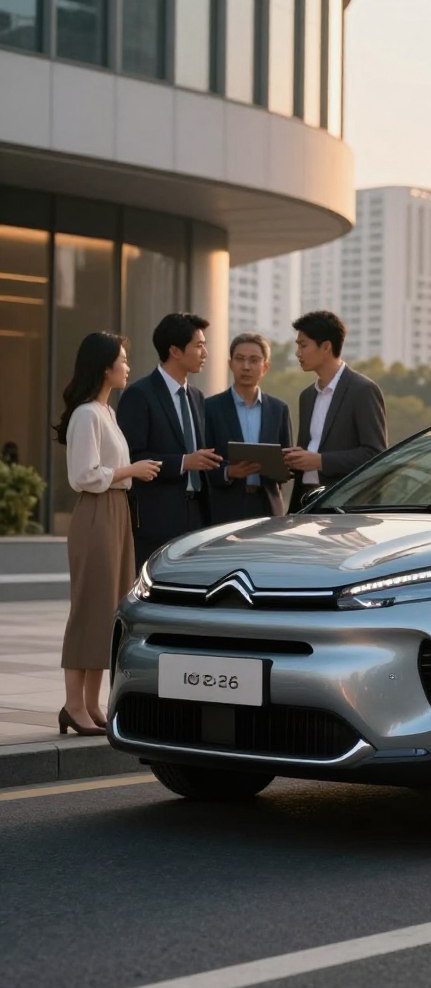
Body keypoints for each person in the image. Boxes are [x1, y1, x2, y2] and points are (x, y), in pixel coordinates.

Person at [53, 333, 161, 735]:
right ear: (104, 367)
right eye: (123, 359)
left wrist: (128, 476)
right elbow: (83, 476)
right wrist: (132, 471)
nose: (128, 366)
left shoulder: (107, 413)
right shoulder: (87, 415)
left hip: (116, 512)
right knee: (89, 608)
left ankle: (92, 705)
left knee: (110, 609)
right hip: (96, 513)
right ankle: (72, 705)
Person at [116, 313, 222, 570]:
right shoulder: (139, 395)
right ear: (174, 350)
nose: (205, 352)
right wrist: (184, 463)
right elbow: (133, 457)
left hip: (197, 516)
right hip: (157, 518)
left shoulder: (196, 396)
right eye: (198, 345)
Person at [284, 310, 386, 512]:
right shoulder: (307, 396)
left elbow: (375, 454)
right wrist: (293, 459)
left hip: (345, 509)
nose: (298, 353)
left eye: (303, 345)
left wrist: (320, 461)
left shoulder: (363, 390)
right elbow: (309, 450)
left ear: (326, 347)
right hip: (305, 505)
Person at [205, 332, 293, 522]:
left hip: (268, 507)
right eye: (240, 359)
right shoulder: (209, 408)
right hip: (225, 507)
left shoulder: (279, 409)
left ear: (265, 366)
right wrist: (228, 472)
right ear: (230, 364)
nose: (246, 366)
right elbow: (201, 463)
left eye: (254, 360)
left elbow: (287, 461)